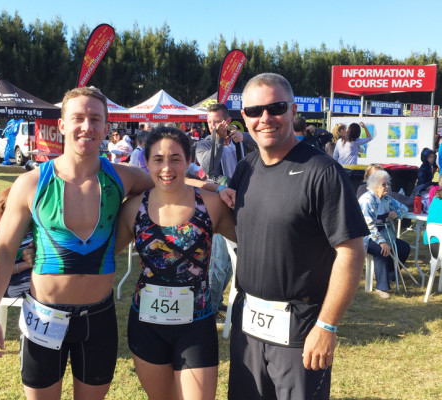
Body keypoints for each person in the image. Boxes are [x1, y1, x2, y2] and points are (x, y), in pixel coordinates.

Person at [0, 86, 155, 400]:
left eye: (95, 119)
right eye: (78, 118)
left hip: (98, 320)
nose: (87, 126)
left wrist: (212, 189)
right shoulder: (31, 184)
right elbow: (2, 252)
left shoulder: (124, 178)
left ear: (106, 127)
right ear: (61, 125)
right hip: (44, 318)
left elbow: (171, 183)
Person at [222, 73, 368, 400]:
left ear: (292, 110)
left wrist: (327, 325)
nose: (265, 118)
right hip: (248, 327)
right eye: (254, 111)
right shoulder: (246, 167)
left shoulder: (323, 171)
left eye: (276, 107)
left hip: (301, 329)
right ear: (242, 116)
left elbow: (351, 252)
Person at [115, 126, 236, 400]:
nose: (166, 167)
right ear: (147, 163)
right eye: (158, 159)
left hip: (197, 324)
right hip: (146, 323)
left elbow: (253, 241)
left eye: (175, 159)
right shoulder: (133, 209)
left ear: (189, 161)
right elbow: (104, 255)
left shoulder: (212, 205)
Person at [195, 103, 255, 319]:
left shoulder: (240, 142)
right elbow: (209, 167)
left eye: (217, 122)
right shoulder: (204, 144)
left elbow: (265, 147)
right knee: (220, 261)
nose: (213, 126)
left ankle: (217, 301)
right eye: (210, 122)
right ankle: (208, 309)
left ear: (228, 121)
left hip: (243, 205)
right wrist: (219, 139)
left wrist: (246, 138)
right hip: (219, 206)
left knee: (235, 260)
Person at [358, 170, 410, 299]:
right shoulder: (367, 200)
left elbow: (404, 208)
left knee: (404, 248)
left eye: (388, 184)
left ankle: (390, 276)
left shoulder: (386, 198)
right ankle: (382, 287)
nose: (387, 187)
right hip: (366, 237)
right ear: (375, 186)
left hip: (385, 234)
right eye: (384, 184)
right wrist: (381, 242)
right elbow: (368, 225)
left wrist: (397, 213)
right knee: (382, 250)